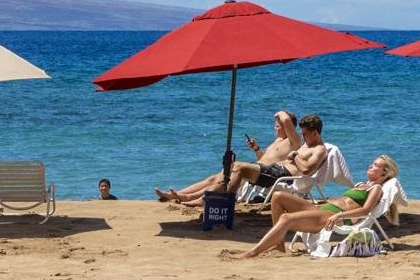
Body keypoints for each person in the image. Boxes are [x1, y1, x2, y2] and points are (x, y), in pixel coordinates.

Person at [227, 155, 401, 259]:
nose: (370, 166)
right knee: (278, 196)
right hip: (323, 209)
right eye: (372, 164)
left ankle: (252, 252)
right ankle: (279, 244)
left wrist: (338, 217)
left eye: (375, 165)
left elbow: (365, 211)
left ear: (384, 173)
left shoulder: (376, 188)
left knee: (286, 218)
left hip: (333, 216)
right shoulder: (361, 184)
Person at [161, 111, 304, 204]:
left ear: (288, 127)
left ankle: (195, 198)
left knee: (230, 172)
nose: (275, 127)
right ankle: (179, 194)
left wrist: (279, 113)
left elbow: (286, 120)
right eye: (276, 125)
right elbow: (264, 158)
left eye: (278, 125)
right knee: (215, 177)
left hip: (266, 173)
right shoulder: (276, 142)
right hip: (257, 167)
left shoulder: (293, 141)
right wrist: (257, 149)